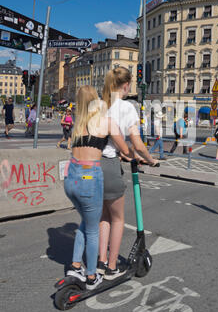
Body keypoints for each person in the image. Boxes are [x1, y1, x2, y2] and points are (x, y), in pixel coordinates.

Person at [64, 85, 131, 290]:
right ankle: (92, 276)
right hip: (88, 177)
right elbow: (124, 148)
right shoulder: (105, 122)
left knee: (85, 221)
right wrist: (126, 154)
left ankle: (75, 266)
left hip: (71, 179)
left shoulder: (77, 124)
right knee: (93, 230)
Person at [98, 67, 159, 280]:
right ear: (126, 85)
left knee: (103, 217)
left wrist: (126, 154)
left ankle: (101, 261)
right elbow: (138, 144)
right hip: (109, 165)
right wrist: (151, 160)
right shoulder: (127, 108)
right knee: (117, 219)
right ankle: (112, 268)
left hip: (92, 165)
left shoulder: (98, 103)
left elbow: (111, 139)